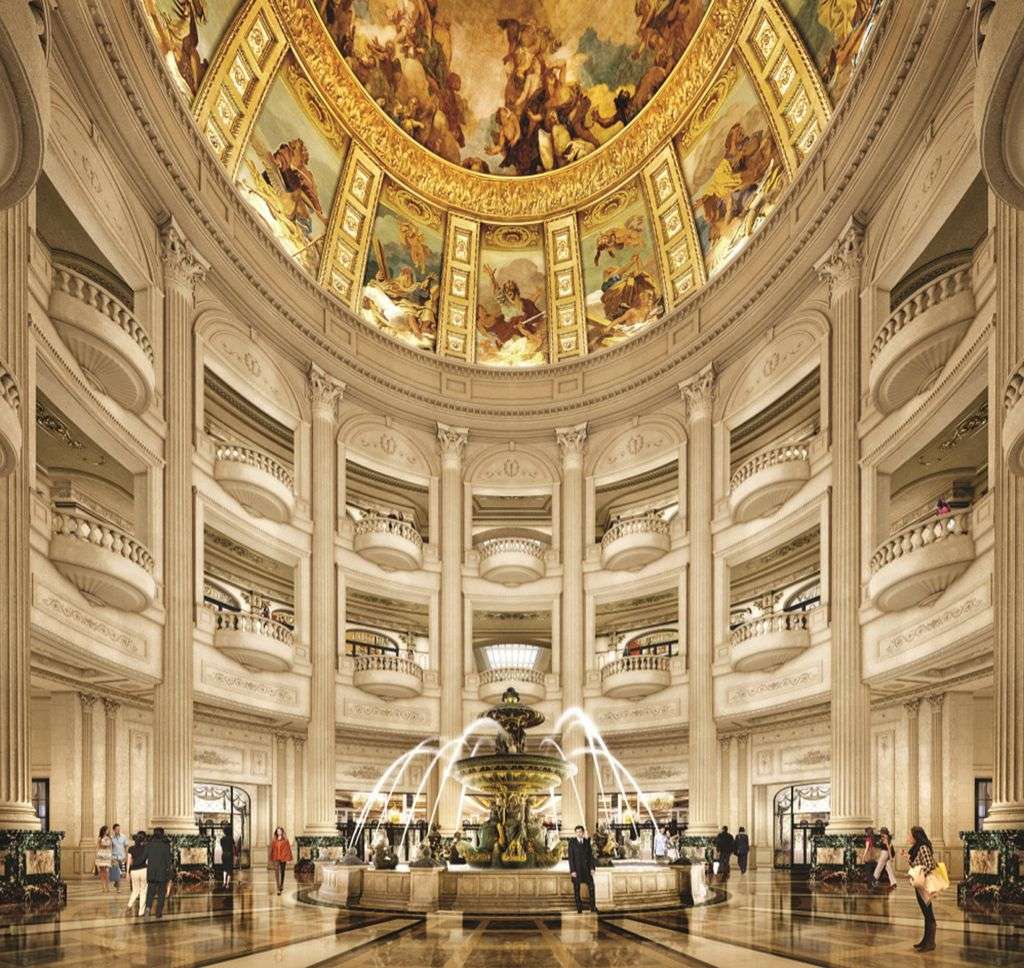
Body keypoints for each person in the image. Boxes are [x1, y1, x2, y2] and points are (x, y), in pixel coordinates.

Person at [908, 826, 937, 952]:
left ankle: (930, 943)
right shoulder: (916, 848)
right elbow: (917, 865)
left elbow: (929, 864)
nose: (908, 837)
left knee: (928, 912)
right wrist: (909, 860)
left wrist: (920, 874)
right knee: (925, 912)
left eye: (910, 835)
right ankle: (925, 940)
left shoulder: (923, 847)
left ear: (916, 836)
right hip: (919, 884)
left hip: (924, 884)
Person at [567, 824, 598, 914]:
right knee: (577, 889)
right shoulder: (572, 843)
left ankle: (593, 907)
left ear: (583, 832)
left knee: (592, 887)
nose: (579, 833)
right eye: (577, 832)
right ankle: (579, 907)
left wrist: (592, 868)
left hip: (587, 869)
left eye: (580, 832)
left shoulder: (586, 842)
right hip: (576, 870)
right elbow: (571, 858)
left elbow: (590, 856)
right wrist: (572, 871)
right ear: (575, 833)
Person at [144, 828, 173, 918]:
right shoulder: (166, 845)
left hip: (151, 872)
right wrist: (170, 874)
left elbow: (144, 857)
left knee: (150, 892)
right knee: (161, 893)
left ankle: (148, 908)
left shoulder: (149, 845)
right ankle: (158, 912)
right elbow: (168, 861)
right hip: (162, 873)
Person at [125, 831, 148, 916]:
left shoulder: (131, 848)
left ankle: (129, 905)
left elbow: (128, 861)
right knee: (143, 891)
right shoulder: (146, 848)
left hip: (133, 871)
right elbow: (147, 861)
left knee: (135, 890)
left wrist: (127, 873)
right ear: (144, 839)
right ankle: (141, 911)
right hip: (143, 870)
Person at [270, 827, 293, 895]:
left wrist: (288, 859)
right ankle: (278, 888)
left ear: (282, 832)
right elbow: (272, 850)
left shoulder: (285, 840)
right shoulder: (274, 840)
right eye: (277, 831)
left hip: (283, 858)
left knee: (282, 872)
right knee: (277, 872)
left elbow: (287, 850)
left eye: (279, 831)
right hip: (276, 858)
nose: (278, 832)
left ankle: (281, 885)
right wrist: (272, 858)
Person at [110, 823, 128, 894]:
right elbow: (110, 848)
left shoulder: (123, 837)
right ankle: (118, 889)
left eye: (119, 829)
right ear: (114, 830)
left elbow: (126, 847)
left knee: (120, 874)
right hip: (114, 857)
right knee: (117, 873)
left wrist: (126, 856)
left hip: (122, 857)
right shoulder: (111, 838)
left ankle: (116, 883)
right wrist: (111, 857)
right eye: (117, 829)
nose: (118, 830)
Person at [95, 825, 113, 891]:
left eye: (108, 830)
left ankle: (108, 887)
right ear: (104, 831)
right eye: (107, 830)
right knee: (102, 871)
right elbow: (97, 847)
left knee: (107, 871)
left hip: (107, 855)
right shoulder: (100, 838)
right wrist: (96, 855)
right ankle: (103, 887)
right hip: (101, 854)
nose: (108, 831)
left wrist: (111, 855)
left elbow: (111, 847)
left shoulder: (110, 838)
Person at [220, 824, 235, 889]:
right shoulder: (231, 839)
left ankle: (224, 882)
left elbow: (222, 846)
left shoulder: (222, 839)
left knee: (224, 868)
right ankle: (227, 884)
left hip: (223, 854)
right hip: (229, 854)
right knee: (229, 870)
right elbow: (234, 847)